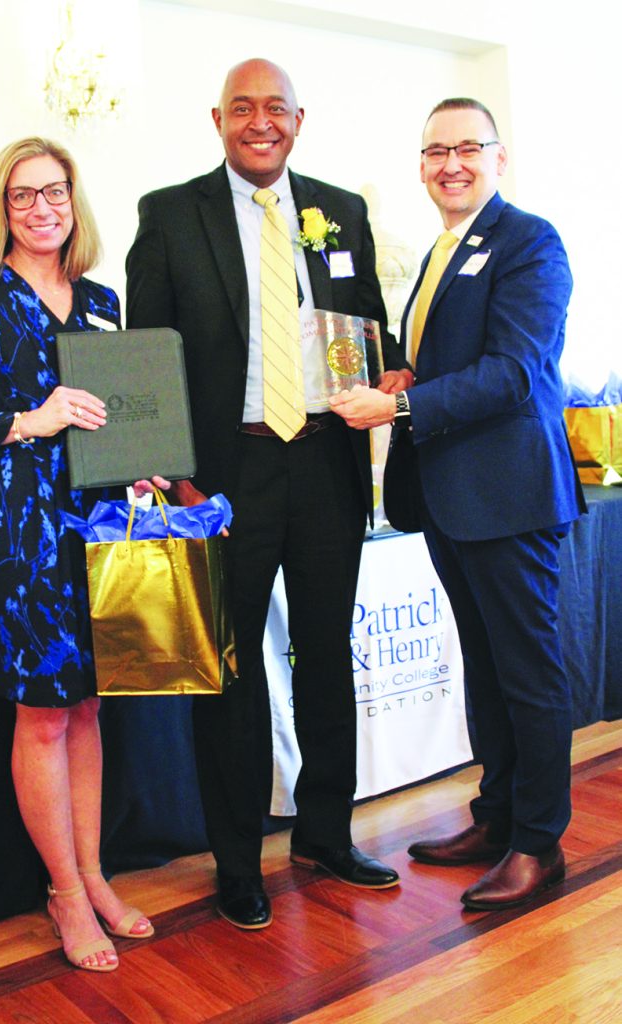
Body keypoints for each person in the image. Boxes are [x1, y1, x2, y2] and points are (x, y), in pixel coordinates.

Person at [125, 58, 412, 930]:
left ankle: (326, 832)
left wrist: (395, 365)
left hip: (325, 466)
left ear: (299, 119)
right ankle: (239, 861)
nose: (261, 122)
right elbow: (146, 351)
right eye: (243, 108)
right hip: (221, 477)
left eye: (275, 109)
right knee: (232, 671)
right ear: (218, 118)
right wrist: (170, 469)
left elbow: (365, 323)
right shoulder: (170, 214)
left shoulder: (341, 211)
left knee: (327, 654)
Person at [0, 137, 164, 971]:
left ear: (72, 198)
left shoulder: (99, 299)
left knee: (90, 705)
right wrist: (29, 418)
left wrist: (140, 462)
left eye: (54, 191)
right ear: (2, 207)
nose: (41, 207)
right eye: (23, 196)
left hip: (96, 530)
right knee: (44, 713)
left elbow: (118, 409)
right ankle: (63, 893)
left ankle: (92, 875)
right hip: (17, 536)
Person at [329, 98, 586, 911]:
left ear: (498, 158)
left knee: (530, 675)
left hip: (509, 498)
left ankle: (539, 845)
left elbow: (516, 372)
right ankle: (498, 816)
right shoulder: (444, 250)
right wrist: (405, 374)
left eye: (467, 148)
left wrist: (400, 409)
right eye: (435, 151)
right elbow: (449, 360)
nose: (450, 164)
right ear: (421, 165)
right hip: (450, 501)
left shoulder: (530, 242)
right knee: (487, 670)